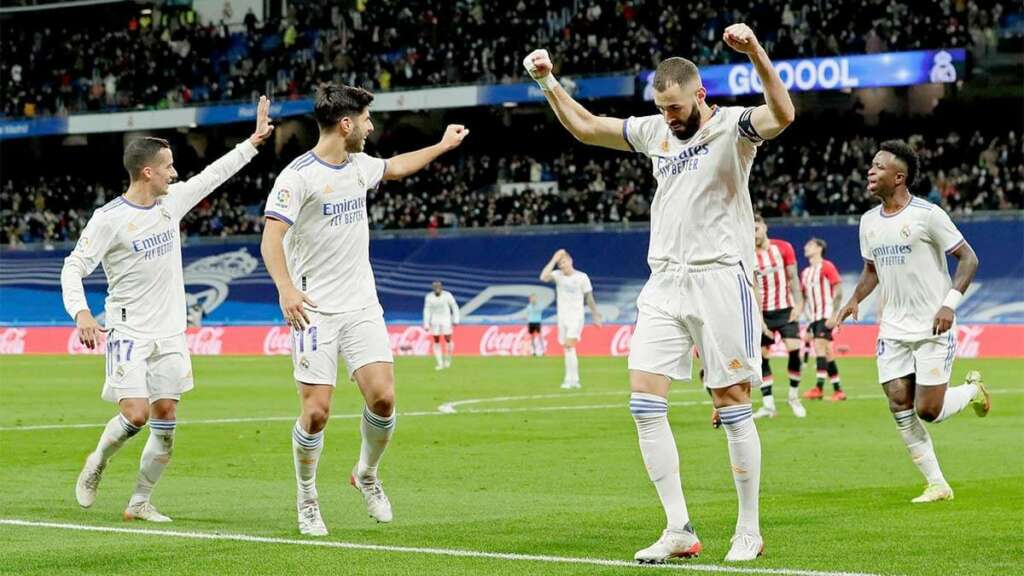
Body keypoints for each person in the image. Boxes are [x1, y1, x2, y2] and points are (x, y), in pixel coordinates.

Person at [524, 21, 794, 562]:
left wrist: (756, 52)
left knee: (733, 403)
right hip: (665, 281)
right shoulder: (655, 131)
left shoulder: (734, 128)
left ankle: (748, 528)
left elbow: (783, 113)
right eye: (661, 106)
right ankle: (679, 528)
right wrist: (549, 81)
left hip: (721, 277)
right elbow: (586, 127)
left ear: (700, 94)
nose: (668, 116)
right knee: (644, 403)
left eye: (675, 106)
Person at [261, 84, 467, 536]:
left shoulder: (359, 165)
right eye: (368, 119)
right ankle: (307, 497)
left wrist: (442, 145)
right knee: (315, 412)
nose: (373, 126)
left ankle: (366, 474)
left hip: (361, 305)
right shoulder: (297, 178)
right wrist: (286, 289)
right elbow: (271, 237)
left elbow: (394, 167)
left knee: (384, 397)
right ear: (347, 124)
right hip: (314, 310)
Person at [63, 96, 274, 522]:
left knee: (166, 420)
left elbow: (213, 176)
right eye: (169, 166)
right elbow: (74, 267)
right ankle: (97, 462)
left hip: (171, 333)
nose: (175, 173)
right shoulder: (109, 219)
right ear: (147, 172)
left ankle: (140, 501)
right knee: (136, 414)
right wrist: (82, 314)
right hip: (129, 332)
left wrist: (252, 143)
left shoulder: (170, 203)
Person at [831, 140, 989, 504]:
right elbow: (873, 269)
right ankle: (937, 483)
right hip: (893, 328)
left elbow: (969, 259)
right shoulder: (869, 221)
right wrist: (855, 299)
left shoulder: (927, 215)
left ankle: (972, 391)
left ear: (899, 177)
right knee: (898, 402)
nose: (870, 171)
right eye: (871, 165)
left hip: (934, 325)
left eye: (879, 166)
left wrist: (949, 305)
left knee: (928, 410)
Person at [751, 214, 805, 419]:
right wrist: (759, 319)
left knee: (794, 348)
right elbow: (754, 288)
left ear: (764, 227)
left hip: (785, 309)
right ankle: (768, 405)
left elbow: (793, 277)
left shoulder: (783, 248)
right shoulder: (748, 254)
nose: (753, 234)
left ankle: (793, 396)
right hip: (763, 312)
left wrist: (799, 304)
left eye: (756, 228)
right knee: (762, 356)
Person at [539, 248, 601, 389]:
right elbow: (543, 277)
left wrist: (595, 315)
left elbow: (589, 298)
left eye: (564, 262)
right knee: (567, 349)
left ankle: (570, 380)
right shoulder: (557, 275)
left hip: (576, 316)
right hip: (562, 317)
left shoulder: (582, 277)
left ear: (571, 260)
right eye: (560, 263)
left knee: (569, 345)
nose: (562, 265)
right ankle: (574, 380)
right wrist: (554, 259)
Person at [800, 238, 845, 401]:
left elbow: (838, 289)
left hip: (826, 314)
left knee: (820, 347)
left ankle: (818, 388)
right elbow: (804, 297)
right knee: (826, 352)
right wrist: (803, 318)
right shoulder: (805, 273)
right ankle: (838, 390)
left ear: (819, 248)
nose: (805, 247)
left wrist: (834, 314)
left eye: (810, 245)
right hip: (813, 318)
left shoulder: (827, 266)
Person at [422, 280, 460, 370]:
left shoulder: (447, 295)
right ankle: (440, 363)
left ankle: (448, 359)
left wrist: (456, 319)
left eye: (438, 287)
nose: (437, 289)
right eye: (435, 287)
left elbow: (454, 307)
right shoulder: (429, 297)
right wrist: (426, 324)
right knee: (436, 340)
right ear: (433, 288)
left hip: (446, 319)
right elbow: (427, 311)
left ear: (441, 287)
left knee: (447, 338)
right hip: (435, 321)